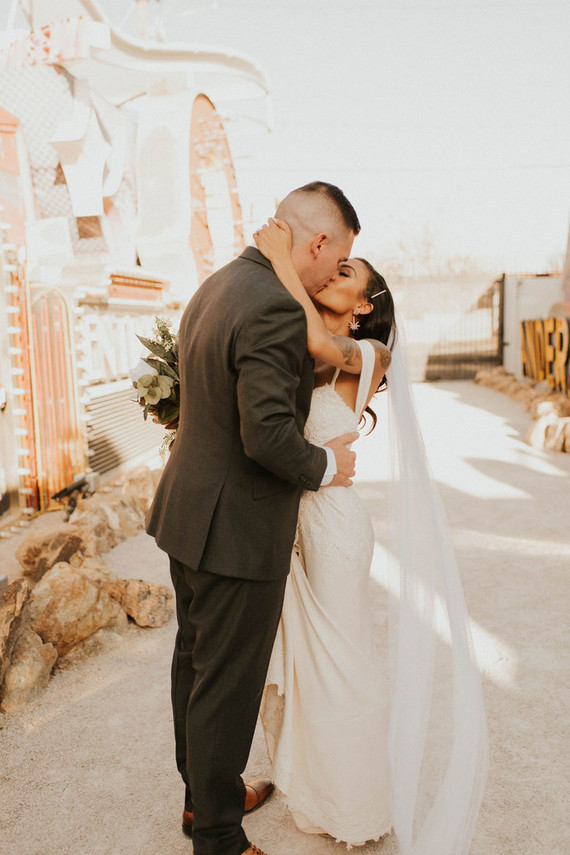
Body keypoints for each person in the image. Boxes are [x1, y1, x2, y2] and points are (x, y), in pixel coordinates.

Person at [253, 219, 488, 854]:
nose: (332, 272)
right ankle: (314, 787)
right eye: (333, 266)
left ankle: (354, 801)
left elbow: (311, 333)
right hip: (294, 518)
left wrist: (277, 257)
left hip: (334, 527)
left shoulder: (368, 356)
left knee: (341, 661)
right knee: (304, 660)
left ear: (364, 308)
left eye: (347, 273)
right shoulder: (301, 348)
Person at [146, 182, 363, 855]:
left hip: (188, 515)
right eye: (338, 259)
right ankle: (217, 835)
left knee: (196, 664)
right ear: (320, 241)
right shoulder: (272, 304)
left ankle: (200, 797)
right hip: (236, 530)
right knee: (227, 685)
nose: (333, 274)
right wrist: (329, 467)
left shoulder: (218, 284)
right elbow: (267, 434)